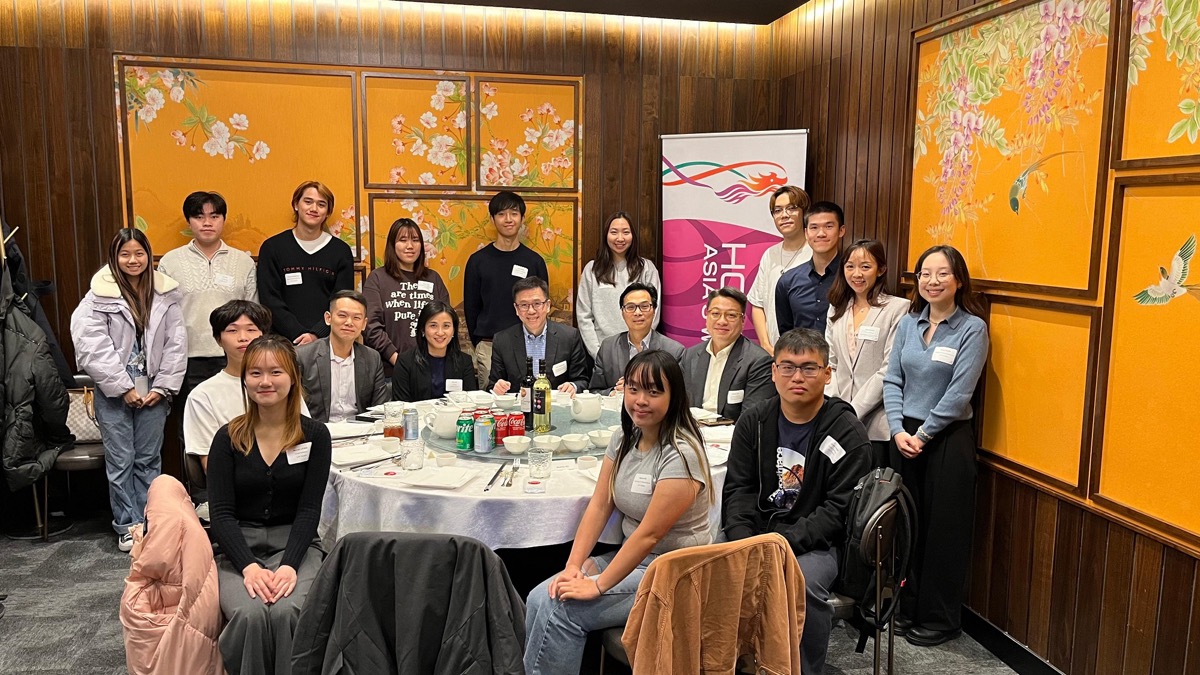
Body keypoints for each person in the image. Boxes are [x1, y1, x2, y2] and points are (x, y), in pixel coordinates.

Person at [523, 350, 713, 674]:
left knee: (560, 608)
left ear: (674, 396)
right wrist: (573, 567)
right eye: (634, 388)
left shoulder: (682, 454)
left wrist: (597, 585)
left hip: (674, 572)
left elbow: (649, 534)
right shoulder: (625, 436)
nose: (640, 400)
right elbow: (599, 505)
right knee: (540, 597)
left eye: (654, 391)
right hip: (635, 560)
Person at [721, 328, 872, 675]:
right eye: (787, 367)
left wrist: (780, 544)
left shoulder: (846, 432)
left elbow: (837, 512)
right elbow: (739, 489)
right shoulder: (754, 421)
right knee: (710, 565)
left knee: (798, 583)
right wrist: (745, 541)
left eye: (809, 368)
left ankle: (802, 669)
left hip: (817, 545)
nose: (797, 377)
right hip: (758, 532)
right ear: (773, 372)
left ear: (827, 373)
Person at [882, 244, 989, 647]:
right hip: (903, 435)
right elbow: (892, 379)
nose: (932, 281)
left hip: (945, 440)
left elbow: (960, 394)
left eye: (942, 273)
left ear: (958, 280)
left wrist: (923, 434)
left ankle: (940, 618)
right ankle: (907, 608)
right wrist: (897, 429)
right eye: (925, 273)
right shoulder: (910, 322)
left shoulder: (971, 328)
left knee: (944, 532)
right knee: (907, 528)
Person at [206, 334, 331, 675]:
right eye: (255, 373)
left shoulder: (315, 435)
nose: (265, 381)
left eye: (276, 372)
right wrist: (248, 566)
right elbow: (220, 514)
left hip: (296, 545)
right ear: (244, 380)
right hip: (236, 551)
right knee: (250, 614)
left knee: (286, 611)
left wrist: (289, 565)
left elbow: (308, 510)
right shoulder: (227, 438)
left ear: (293, 378)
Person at [71, 228, 186, 551]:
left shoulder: (165, 293)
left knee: (149, 459)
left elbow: (176, 344)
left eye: (139, 253)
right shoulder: (98, 296)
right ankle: (127, 524)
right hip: (113, 390)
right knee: (121, 459)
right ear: (114, 258)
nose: (133, 260)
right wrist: (122, 387)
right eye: (125, 254)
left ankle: (151, 521)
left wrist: (163, 387)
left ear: (149, 256)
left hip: (154, 388)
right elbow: (91, 346)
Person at [157, 191, 257, 407]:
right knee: (192, 424)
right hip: (187, 358)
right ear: (189, 221)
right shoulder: (170, 262)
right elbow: (161, 314)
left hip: (235, 357)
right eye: (199, 217)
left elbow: (253, 312)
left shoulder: (243, 262)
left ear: (223, 220)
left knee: (238, 420)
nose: (207, 223)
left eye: (214, 216)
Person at [824, 239, 910, 467]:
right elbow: (829, 363)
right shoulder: (836, 308)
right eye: (850, 266)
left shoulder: (898, 308)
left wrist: (852, 412)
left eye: (865, 266)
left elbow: (888, 369)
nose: (857, 274)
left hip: (876, 424)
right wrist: (836, 408)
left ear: (881, 269)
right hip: (836, 420)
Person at [463, 190, 550, 388]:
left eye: (513, 213)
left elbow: (542, 305)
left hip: (529, 343)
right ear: (493, 219)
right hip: (489, 345)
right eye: (501, 214)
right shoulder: (478, 261)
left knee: (530, 400)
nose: (508, 219)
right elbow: (471, 307)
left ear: (522, 218)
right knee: (493, 402)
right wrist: (479, 343)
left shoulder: (534, 261)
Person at [256, 180, 355, 346]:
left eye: (321, 204)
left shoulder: (341, 251)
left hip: (328, 342)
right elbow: (269, 299)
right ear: (296, 204)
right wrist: (299, 334)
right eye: (308, 202)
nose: (314, 209)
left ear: (328, 212)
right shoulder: (272, 248)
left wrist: (316, 334)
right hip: (281, 343)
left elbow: (342, 301)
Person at [363, 217, 451, 369]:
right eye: (403, 240)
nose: (410, 246)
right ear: (392, 245)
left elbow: (446, 322)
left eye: (415, 240)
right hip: (390, 370)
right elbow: (370, 325)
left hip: (431, 367)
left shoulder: (433, 278)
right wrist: (397, 359)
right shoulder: (377, 278)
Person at [575, 211, 662, 357]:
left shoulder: (646, 268)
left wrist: (640, 350)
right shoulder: (592, 269)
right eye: (614, 232)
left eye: (626, 232)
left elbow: (654, 311)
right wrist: (598, 354)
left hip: (640, 352)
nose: (620, 238)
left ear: (633, 236)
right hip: (602, 351)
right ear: (606, 235)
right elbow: (584, 315)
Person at [679, 287, 772, 422]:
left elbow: (751, 420)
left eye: (731, 315)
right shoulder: (690, 356)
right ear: (707, 316)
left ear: (743, 320)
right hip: (692, 434)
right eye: (715, 313)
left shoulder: (759, 361)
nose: (722, 321)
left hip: (731, 438)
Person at [295, 290, 390, 423]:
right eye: (342, 315)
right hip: (318, 433)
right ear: (328, 318)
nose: (349, 322)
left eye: (357, 317)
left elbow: (379, 409)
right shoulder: (302, 356)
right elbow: (293, 408)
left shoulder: (372, 358)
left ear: (364, 324)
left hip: (361, 432)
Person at [489, 276, 590, 396]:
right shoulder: (502, 340)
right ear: (516, 309)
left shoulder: (569, 337)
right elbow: (492, 385)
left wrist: (573, 386)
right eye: (524, 305)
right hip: (518, 409)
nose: (531, 311)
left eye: (537, 304)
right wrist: (498, 387)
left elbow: (582, 381)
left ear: (547, 305)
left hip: (556, 408)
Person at [747, 186, 812, 355]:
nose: (784, 215)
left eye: (792, 208)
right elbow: (757, 303)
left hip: (807, 352)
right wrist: (766, 345)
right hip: (772, 352)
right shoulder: (770, 255)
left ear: (804, 212)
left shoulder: (815, 253)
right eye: (778, 210)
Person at [590, 282, 683, 395]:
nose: (637, 313)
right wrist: (613, 393)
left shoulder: (674, 351)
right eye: (630, 307)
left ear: (654, 310)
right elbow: (594, 391)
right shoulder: (608, 347)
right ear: (622, 313)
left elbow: (680, 395)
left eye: (644, 306)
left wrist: (638, 387)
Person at [776, 201, 846, 335]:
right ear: (806, 233)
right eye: (814, 227)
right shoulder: (787, 281)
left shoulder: (852, 277)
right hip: (801, 355)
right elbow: (786, 333)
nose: (821, 234)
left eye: (829, 226)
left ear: (841, 230)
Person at [392, 301, 479, 402]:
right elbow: (402, 405)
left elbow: (470, 403)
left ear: (454, 330)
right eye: (433, 326)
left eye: (446, 326)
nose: (440, 332)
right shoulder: (405, 362)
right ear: (423, 330)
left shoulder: (464, 361)